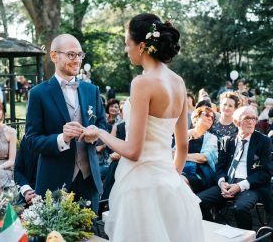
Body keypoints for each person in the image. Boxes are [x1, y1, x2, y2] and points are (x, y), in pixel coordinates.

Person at [82, 13, 204, 241]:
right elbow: (183, 146)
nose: (126, 50)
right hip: (169, 182)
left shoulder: (142, 83)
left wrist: (99, 132)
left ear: (140, 46)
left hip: (140, 187)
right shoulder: (178, 82)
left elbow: (133, 151)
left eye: (127, 44)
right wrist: (169, 180)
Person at [25, 33, 106, 213]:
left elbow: (103, 129)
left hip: (88, 181)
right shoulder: (38, 94)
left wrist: (95, 137)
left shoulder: (92, 90)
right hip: (53, 185)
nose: (77, 59)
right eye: (71, 54)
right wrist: (62, 138)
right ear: (54, 56)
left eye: (79, 55)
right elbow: (31, 140)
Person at [197, 106, 273, 230]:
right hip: (227, 184)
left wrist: (240, 186)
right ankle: (214, 230)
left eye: (254, 118)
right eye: (247, 118)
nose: (251, 121)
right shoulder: (227, 140)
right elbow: (219, 167)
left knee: (240, 208)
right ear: (236, 122)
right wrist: (222, 182)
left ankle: (247, 238)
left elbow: (266, 172)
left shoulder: (263, 141)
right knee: (197, 202)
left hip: (251, 185)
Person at [180, 106, 218, 193]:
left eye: (212, 118)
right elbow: (170, 153)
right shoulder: (185, 134)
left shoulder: (211, 138)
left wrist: (181, 156)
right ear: (196, 118)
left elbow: (203, 158)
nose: (210, 118)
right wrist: (186, 135)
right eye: (207, 115)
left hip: (200, 172)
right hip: (180, 168)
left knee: (180, 181)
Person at [14, 135, 39, 206]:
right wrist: (26, 191)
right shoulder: (26, 139)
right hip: (27, 195)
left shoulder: (60, 140)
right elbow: (17, 171)